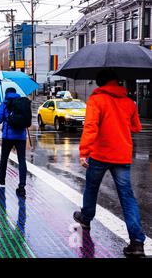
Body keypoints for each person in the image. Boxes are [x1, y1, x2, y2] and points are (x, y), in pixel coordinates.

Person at [73, 69, 146, 257]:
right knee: (127, 196)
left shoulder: (96, 100)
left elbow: (90, 127)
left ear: (100, 83)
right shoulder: (129, 102)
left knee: (91, 188)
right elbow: (136, 127)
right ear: (117, 82)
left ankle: (86, 218)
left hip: (99, 155)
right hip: (122, 156)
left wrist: (84, 152)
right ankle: (137, 242)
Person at [0, 87, 29, 197]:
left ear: (6, 93)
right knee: (22, 161)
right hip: (21, 137)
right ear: (15, 93)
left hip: (8, 136)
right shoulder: (22, 102)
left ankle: (2, 179)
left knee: (4, 158)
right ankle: (22, 187)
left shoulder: (5, 103)